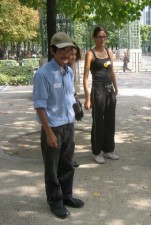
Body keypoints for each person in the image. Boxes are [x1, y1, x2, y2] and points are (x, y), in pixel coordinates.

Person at [32, 32, 84, 219]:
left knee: (68, 165)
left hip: (68, 126)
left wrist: (76, 107)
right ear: (53, 50)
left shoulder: (68, 71)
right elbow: (40, 106)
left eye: (69, 50)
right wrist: (48, 133)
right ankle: (55, 201)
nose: (66, 54)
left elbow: (70, 97)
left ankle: (66, 196)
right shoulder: (43, 74)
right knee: (52, 168)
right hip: (52, 127)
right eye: (61, 50)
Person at [83, 26, 119, 164]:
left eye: (104, 36)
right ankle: (97, 151)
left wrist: (116, 87)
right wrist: (87, 97)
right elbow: (86, 76)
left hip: (109, 88)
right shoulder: (90, 53)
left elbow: (112, 71)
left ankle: (108, 149)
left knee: (110, 120)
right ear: (94, 37)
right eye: (100, 36)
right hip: (97, 89)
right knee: (98, 121)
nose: (102, 39)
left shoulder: (109, 51)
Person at [68, 42, 82, 168]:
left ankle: (70, 158)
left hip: (71, 97)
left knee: (70, 133)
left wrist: (76, 102)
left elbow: (71, 87)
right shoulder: (62, 67)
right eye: (71, 54)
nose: (73, 57)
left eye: (75, 54)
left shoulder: (73, 65)